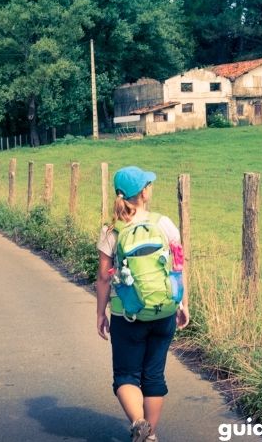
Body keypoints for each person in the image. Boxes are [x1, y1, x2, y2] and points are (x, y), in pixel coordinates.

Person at [96, 166, 190, 442]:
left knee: (125, 375)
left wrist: (100, 313)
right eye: (148, 184)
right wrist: (182, 303)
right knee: (153, 375)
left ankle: (140, 424)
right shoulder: (164, 224)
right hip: (163, 310)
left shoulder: (111, 229)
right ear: (143, 193)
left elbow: (103, 278)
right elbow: (178, 266)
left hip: (127, 314)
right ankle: (151, 435)